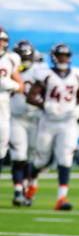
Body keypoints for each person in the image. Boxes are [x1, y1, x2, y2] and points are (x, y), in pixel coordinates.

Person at [28, 43, 79, 211]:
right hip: (48, 121)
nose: (63, 58)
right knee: (41, 160)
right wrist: (45, 105)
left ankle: (61, 198)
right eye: (60, 55)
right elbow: (31, 96)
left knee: (65, 158)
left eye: (66, 55)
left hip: (68, 122)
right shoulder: (45, 75)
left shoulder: (77, 75)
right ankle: (31, 184)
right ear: (54, 56)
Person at [8, 39, 36, 206]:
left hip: (35, 118)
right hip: (15, 117)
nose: (25, 60)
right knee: (19, 155)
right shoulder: (7, 68)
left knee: (31, 156)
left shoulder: (39, 71)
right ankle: (18, 190)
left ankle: (27, 188)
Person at [0, 28, 23, 192]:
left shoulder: (11, 58)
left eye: (2, 40)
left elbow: (20, 86)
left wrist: (10, 85)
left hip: (3, 104)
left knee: (1, 147)